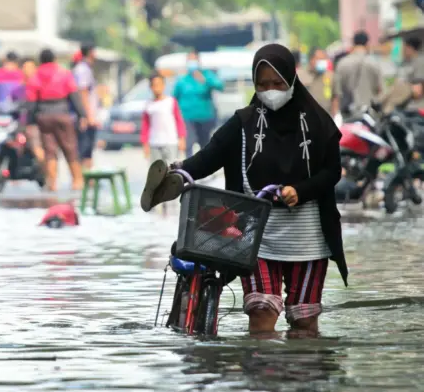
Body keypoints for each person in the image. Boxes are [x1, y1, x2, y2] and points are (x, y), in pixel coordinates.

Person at [142, 43, 348, 336]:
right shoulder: (244, 122)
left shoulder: (317, 123)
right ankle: (261, 378)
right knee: (262, 313)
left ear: (291, 79)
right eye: (262, 84)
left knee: (304, 323)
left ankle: (301, 379)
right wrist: (180, 171)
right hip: (255, 234)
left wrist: (300, 191)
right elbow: (211, 155)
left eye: (277, 83)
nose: (270, 90)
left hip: (308, 238)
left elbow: (332, 172)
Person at [26, 48, 86, 191]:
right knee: (70, 147)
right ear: (54, 59)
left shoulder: (35, 76)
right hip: (61, 113)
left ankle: (52, 182)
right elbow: (74, 96)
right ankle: (77, 181)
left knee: (49, 150)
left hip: (44, 115)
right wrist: (82, 114)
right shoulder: (64, 73)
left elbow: (31, 102)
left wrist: (30, 121)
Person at [173, 49, 224, 156]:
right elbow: (174, 98)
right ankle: (189, 168)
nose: (192, 63)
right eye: (189, 60)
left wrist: (205, 80)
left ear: (198, 61)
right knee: (189, 144)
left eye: (194, 60)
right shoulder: (182, 80)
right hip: (187, 118)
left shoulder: (206, 75)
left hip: (205, 117)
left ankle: (203, 168)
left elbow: (220, 86)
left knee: (205, 145)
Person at [331, 31, 384, 118]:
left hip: (347, 116)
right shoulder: (374, 63)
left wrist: (335, 118)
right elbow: (380, 91)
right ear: (367, 44)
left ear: (353, 44)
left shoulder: (342, 63)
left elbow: (336, 94)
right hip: (368, 116)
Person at [141, 72, 187, 164]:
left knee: (171, 169)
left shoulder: (170, 101)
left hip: (170, 142)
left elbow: (179, 120)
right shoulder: (149, 104)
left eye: (159, 84)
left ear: (163, 85)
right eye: (154, 85)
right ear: (151, 87)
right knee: (157, 171)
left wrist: (182, 138)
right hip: (155, 142)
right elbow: (146, 124)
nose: (157, 87)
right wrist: (145, 143)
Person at [72, 44, 100, 170]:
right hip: (86, 116)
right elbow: (82, 93)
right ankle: (83, 176)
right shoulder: (82, 70)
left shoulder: (85, 69)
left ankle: (89, 176)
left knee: (88, 148)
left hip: (87, 115)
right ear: (90, 52)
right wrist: (88, 116)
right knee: (84, 147)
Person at [303, 48, 333, 114]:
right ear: (311, 59)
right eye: (320, 59)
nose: (323, 62)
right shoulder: (301, 75)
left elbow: (335, 97)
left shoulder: (330, 76)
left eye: (324, 59)